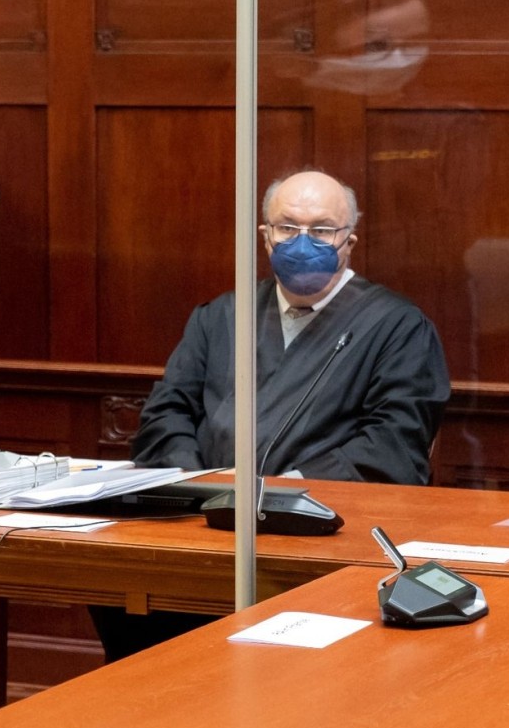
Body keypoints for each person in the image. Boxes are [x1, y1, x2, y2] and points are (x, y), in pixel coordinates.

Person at [93, 169, 450, 660]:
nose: (303, 242)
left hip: (320, 541)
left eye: (322, 229)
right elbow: (165, 414)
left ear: (349, 241)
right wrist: (207, 487)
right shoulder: (222, 315)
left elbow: (393, 446)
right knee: (121, 600)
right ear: (265, 238)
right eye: (287, 227)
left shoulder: (396, 326)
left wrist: (281, 495)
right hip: (206, 529)